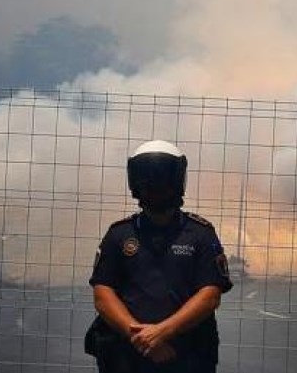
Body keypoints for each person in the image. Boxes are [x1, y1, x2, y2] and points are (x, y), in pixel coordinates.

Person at [86, 140, 233, 373]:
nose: (155, 185)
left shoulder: (201, 234)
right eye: (147, 178)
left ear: (177, 181)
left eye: (162, 177)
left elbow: (210, 296)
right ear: (135, 182)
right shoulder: (118, 234)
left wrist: (162, 332)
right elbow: (103, 294)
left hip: (186, 356)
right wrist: (142, 337)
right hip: (126, 357)